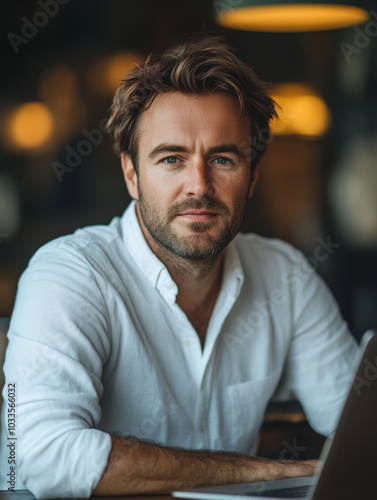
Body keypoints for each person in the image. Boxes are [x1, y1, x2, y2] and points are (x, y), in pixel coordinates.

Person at [0, 36, 357, 498]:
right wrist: (259, 472)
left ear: (251, 179)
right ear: (132, 174)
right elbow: (43, 457)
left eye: (223, 159)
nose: (199, 186)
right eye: (172, 158)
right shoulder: (68, 274)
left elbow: (358, 423)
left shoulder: (283, 274)